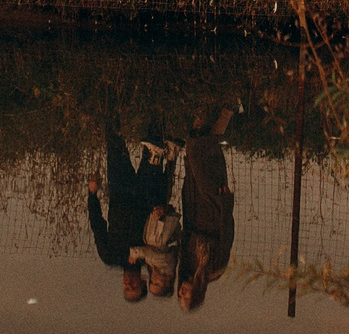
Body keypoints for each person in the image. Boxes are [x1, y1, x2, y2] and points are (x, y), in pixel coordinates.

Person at [87, 131, 176, 301]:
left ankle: (113, 105)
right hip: (146, 191)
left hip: (119, 189)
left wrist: (92, 194)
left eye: (126, 287)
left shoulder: (109, 256)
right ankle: (157, 109)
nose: (128, 283)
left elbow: (97, 224)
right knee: (153, 142)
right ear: (143, 282)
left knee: (113, 141)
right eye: (134, 286)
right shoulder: (150, 258)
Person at [176, 105, 237, 312]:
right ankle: (225, 106)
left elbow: (185, 234)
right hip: (213, 206)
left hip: (193, 203)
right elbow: (226, 235)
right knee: (198, 147)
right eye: (186, 296)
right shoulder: (214, 270)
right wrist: (225, 204)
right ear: (197, 294)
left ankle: (210, 102)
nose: (181, 291)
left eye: (180, 295)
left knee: (197, 144)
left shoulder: (185, 267)